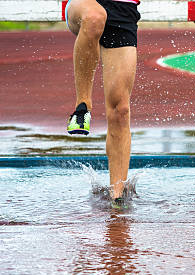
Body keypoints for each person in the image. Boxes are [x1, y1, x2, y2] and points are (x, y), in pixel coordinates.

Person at [65, 0, 141, 208]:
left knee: (120, 110)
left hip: (123, 11)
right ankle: (82, 106)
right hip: (86, 4)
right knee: (94, 17)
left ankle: (117, 196)